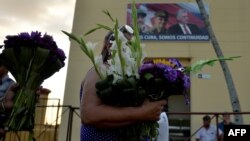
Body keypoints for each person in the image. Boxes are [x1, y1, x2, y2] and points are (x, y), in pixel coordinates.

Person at [80, 27, 167, 141]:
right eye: (124, 43)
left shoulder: (131, 74)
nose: (129, 48)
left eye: (132, 45)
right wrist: (143, 112)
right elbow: (88, 115)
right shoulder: (100, 70)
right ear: (109, 45)